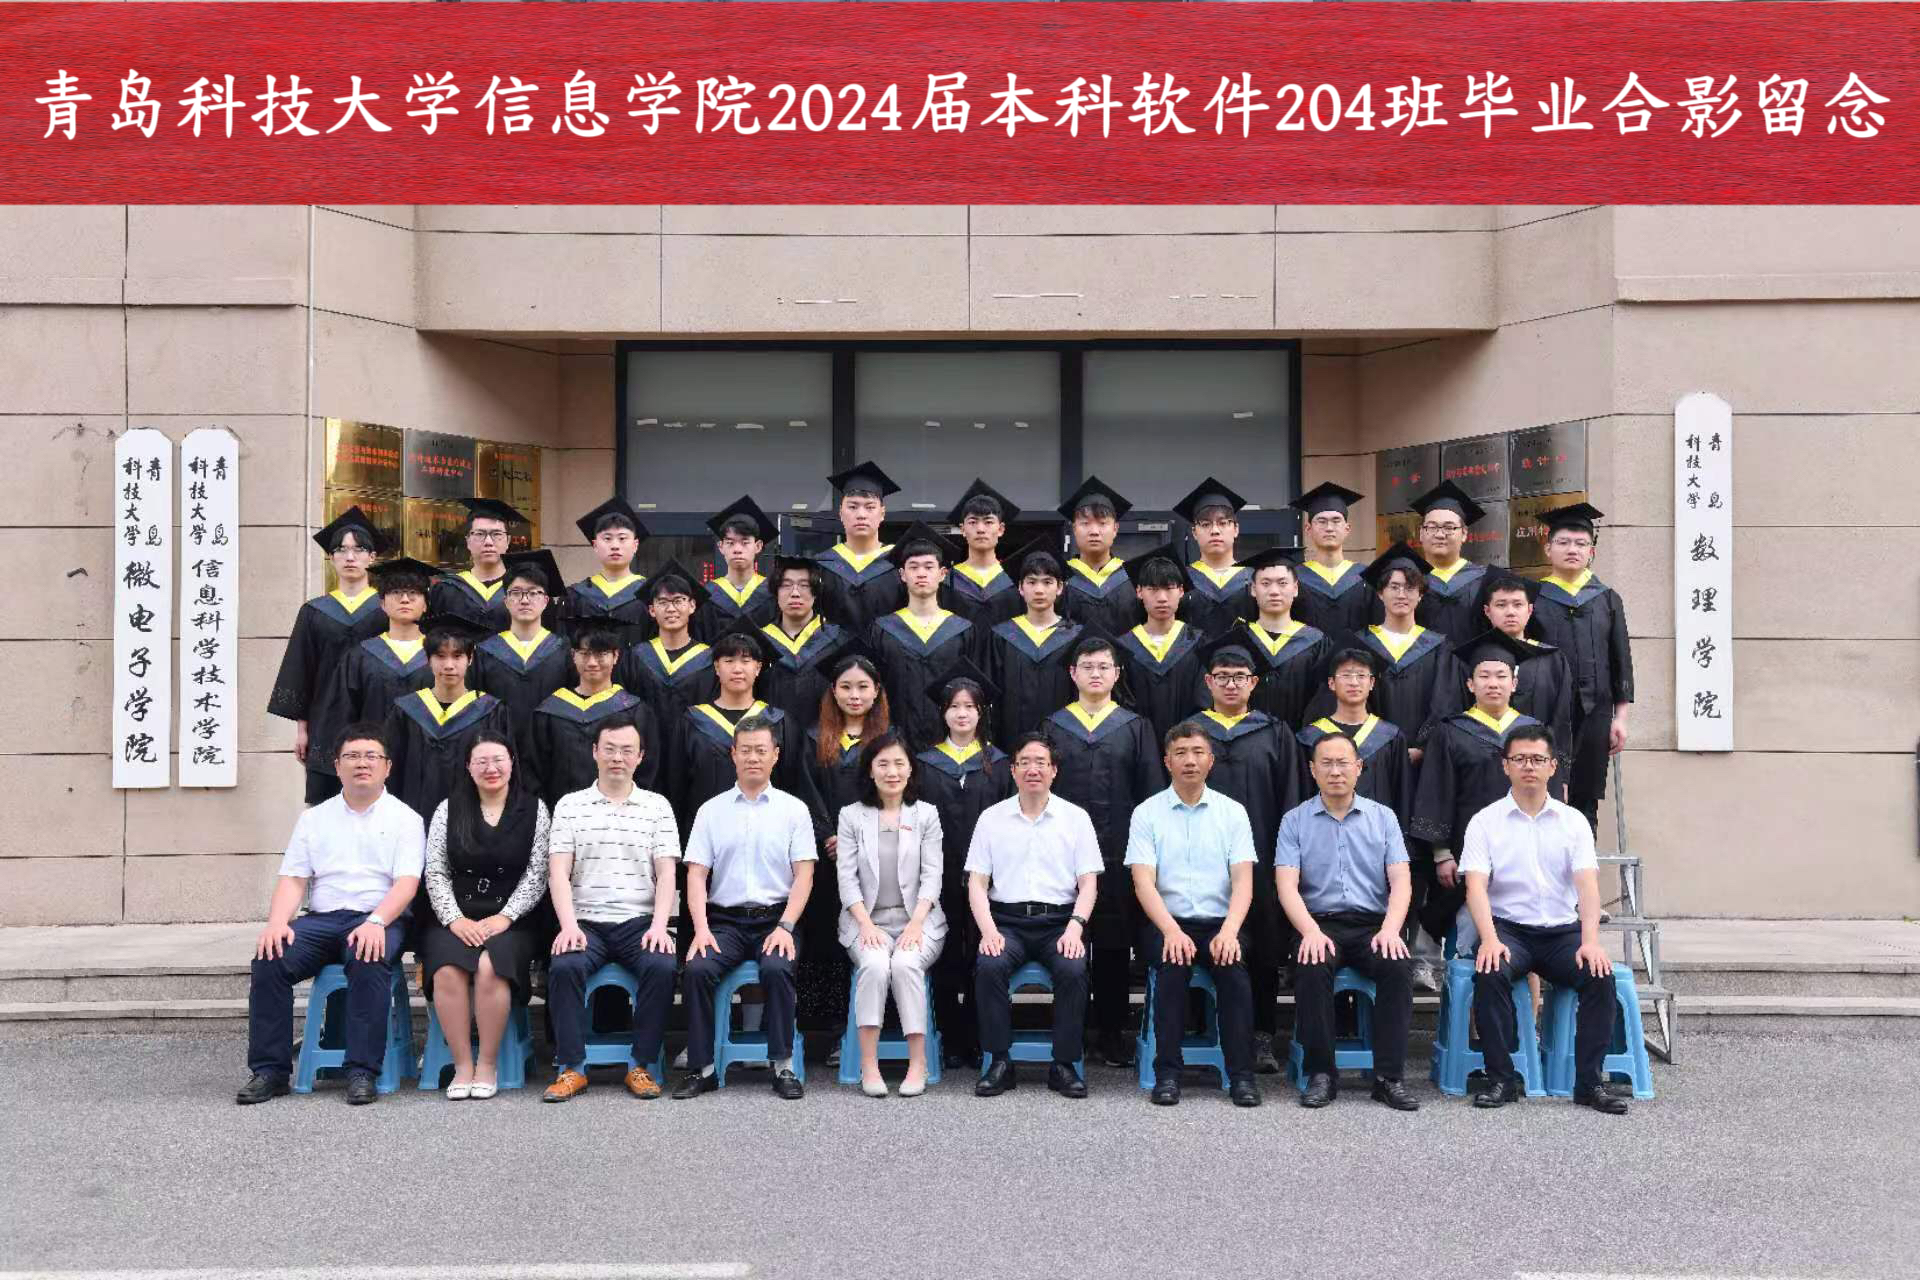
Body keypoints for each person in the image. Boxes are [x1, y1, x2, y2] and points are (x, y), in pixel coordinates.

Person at [237, 722, 424, 1106]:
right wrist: (277, 923)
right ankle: (270, 1071)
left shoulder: (406, 819)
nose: (362, 763)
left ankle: (361, 1071)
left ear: (387, 766)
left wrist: (376, 922)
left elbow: (406, 884)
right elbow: (293, 878)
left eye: (371, 756)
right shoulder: (314, 819)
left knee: (368, 955)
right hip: (322, 919)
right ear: (337, 766)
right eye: (352, 756)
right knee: (270, 956)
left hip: (378, 916)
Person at [1463, 723, 1628, 1114]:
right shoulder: (1485, 821)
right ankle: (1502, 1080)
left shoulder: (1573, 822)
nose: (1529, 767)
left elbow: (1587, 887)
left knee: (1599, 976)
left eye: (1538, 759)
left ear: (1553, 766)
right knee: (1490, 971)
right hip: (1509, 930)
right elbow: (1475, 888)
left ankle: (1589, 1084)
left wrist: (1590, 942)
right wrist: (1489, 938)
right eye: (1520, 759)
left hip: (1560, 933)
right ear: (1505, 765)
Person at [677, 716, 818, 1100]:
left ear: (775, 755)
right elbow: (696, 875)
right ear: (733, 754)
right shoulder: (711, 811)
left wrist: (786, 926)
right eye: (746, 750)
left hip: (777, 919)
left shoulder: (793, 810)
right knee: (698, 970)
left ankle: (783, 1066)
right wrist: (701, 929)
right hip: (725, 922)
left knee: (777, 967)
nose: (753, 758)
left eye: (761, 750)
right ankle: (702, 1069)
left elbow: (804, 875)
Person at [541, 717, 682, 1103]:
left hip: (639, 922)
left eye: (626, 751)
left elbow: (667, 873)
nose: (617, 757)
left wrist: (659, 926)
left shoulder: (656, 807)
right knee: (565, 966)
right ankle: (572, 1068)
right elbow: (558, 871)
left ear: (640, 757)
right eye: (610, 749)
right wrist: (568, 925)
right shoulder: (571, 805)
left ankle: (641, 1065)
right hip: (586, 922)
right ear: (595, 752)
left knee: (661, 965)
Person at [1276, 732, 1419, 1111]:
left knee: (1397, 966)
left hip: (1374, 924)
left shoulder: (1383, 817)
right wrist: (1309, 931)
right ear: (1312, 770)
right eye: (1326, 763)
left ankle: (1389, 1078)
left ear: (1359, 768)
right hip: (1319, 924)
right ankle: (1321, 1074)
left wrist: (1391, 930)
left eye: (1343, 763)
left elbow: (1401, 880)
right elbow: (1286, 885)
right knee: (1311, 965)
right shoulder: (1294, 820)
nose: (1335, 771)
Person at [1125, 721, 1262, 1108]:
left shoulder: (1232, 813)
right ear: (1167, 761)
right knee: (1173, 964)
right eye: (1181, 753)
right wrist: (1170, 930)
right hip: (1167, 922)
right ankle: (1168, 1073)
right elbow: (1144, 884)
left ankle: (1242, 1075)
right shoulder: (1147, 813)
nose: (1190, 761)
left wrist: (1230, 931)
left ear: (1211, 761)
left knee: (1233, 970)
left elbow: (1243, 882)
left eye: (1198, 752)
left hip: (1221, 922)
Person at [1042, 635, 1165, 1068]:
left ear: (1117, 674)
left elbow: (1150, 794)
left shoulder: (1135, 727)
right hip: (1063, 852)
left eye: (1104, 667)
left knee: (1113, 944)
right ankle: (1072, 1032)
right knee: (1069, 941)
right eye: (1087, 666)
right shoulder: (1054, 726)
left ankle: (1112, 1033)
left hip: (1119, 851)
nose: (1095, 674)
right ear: (1072, 673)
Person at [968, 734, 1102, 1099]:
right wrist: (989, 931)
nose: (1033, 769)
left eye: (1041, 762)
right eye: (1024, 762)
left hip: (1059, 923)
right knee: (989, 965)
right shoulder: (991, 819)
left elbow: (1088, 883)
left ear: (1054, 770)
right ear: (1012, 770)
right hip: (1007, 922)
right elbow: (977, 883)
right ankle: (1000, 1062)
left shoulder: (1076, 818)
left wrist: (1075, 928)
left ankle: (1064, 1064)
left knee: (1073, 969)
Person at [1192, 636, 1303, 1075]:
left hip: (1260, 859)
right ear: (1208, 682)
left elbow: (1291, 801)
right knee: (1199, 937)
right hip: (1198, 861)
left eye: (1240, 677)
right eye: (1222, 677)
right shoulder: (1192, 734)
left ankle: (1261, 1035)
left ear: (1254, 683)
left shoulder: (1275, 732)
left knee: (1262, 948)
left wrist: (1286, 861)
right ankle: (1201, 1031)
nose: (1231, 684)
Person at [419, 733, 551, 1100]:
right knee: (447, 968)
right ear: (468, 767)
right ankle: (463, 1065)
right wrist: (454, 919)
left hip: (514, 920)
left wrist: (505, 917)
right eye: (481, 761)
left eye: (498, 760)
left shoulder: (534, 809)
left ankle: (488, 1064)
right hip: (457, 916)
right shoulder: (448, 809)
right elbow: (436, 871)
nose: (491, 768)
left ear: (512, 763)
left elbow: (538, 872)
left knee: (492, 966)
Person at [1412, 630, 1548, 965]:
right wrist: (1442, 853)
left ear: (1514, 683)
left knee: (1522, 935)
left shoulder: (1533, 733)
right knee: (1466, 937)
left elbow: (1549, 793)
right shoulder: (1451, 731)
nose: (1493, 683)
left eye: (1501, 676)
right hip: (1465, 849)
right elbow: (1435, 792)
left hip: (1523, 850)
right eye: (1484, 676)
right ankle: (1462, 996)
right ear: (1470, 684)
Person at [837, 731, 947, 1097]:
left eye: (899, 763)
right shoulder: (851, 816)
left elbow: (933, 875)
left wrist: (916, 924)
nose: (892, 771)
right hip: (866, 921)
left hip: (919, 921)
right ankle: (869, 1066)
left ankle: (918, 1064)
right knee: (873, 965)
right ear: (870, 770)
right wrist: (865, 924)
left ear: (911, 769)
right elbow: (847, 879)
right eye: (882, 764)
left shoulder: (926, 814)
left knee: (904, 964)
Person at [915, 660, 1013, 1070]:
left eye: (969, 706)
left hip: (986, 877)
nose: (961, 713)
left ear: (981, 712)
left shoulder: (1000, 763)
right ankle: (949, 1035)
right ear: (943, 713)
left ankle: (976, 1035)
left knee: (981, 953)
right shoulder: (924, 763)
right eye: (954, 706)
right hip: (937, 874)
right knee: (942, 953)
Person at [269, 507, 390, 805]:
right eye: (341, 550)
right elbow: (301, 670)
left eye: (359, 550)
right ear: (332, 558)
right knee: (325, 803)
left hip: (377, 714)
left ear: (372, 557)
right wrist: (302, 729)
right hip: (326, 718)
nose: (350, 557)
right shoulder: (314, 611)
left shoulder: (386, 610)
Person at [1528, 502, 1634, 833]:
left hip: (1596, 711)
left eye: (1580, 543)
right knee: (1541, 791)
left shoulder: (1607, 598)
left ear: (1591, 552)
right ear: (1548, 549)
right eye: (1563, 542)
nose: (1572, 549)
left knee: (1586, 795)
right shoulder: (1533, 597)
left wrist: (1621, 717)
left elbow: (1621, 659)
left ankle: (1583, 864)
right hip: (1545, 710)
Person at [802, 651, 890, 1048]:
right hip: (827, 859)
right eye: (846, 687)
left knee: (872, 937)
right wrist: (829, 836)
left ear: (876, 691)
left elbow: (897, 793)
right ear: (833, 691)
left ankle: (874, 1027)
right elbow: (806, 794)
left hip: (878, 857)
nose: (855, 695)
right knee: (826, 936)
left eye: (863, 687)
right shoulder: (813, 738)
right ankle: (827, 1032)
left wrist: (859, 838)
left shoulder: (890, 739)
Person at [668, 626, 824, 838]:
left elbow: (796, 784)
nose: (737, 669)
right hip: (707, 835)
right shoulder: (692, 721)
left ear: (758, 668)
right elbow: (676, 786)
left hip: (768, 834)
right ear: (716, 667)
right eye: (729, 661)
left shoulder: (778, 721)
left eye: (746, 661)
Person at [1430, 572, 1576, 777]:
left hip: (1535, 772)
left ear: (1530, 610)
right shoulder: (1466, 659)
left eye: (1518, 605)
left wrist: (1560, 777)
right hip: (1477, 772)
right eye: (1501, 605)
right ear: (1487, 611)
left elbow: (1561, 721)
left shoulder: (1552, 659)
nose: (1510, 612)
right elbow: (1453, 713)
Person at [307, 557, 434, 776]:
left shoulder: (440, 656)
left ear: (425, 605)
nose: (405, 599)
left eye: (413, 593)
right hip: (371, 767)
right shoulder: (360, 656)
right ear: (382, 604)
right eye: (396, 592)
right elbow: (341, 715)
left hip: (429, 766)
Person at [383, 616, 515, 827]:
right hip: (413, 820)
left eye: (457, 656)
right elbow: (390, 773)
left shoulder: (491, 711)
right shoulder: (406, 711)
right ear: (428, 659)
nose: (449, 665)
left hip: (474, 823)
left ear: (470, 659)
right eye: (440, 656)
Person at [863, 524, 977, 752]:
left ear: (942, 574)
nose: (921, 573)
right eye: (913, 567)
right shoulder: (883, 629)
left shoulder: (961, 630)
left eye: (928, 566)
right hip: (895, 745)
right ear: (902, 575)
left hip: (950, 744)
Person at [522, 624, 660, 807]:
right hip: (563, 815)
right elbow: (533, 772)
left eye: (601, 654)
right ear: (573, 656)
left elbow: (647, 771)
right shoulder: (550, 711)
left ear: (615, 656)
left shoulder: (636, 711)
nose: (592, 662)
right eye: (585, 654)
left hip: (621, 816)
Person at [615, 559, 718, 802]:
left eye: (678, 600)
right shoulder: (636, 657)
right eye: (662, 602)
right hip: (644, 761)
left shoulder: (709, 660)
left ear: (692, 606)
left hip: (695, 760)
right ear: (652, 610)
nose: (671, 609)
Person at [1295, 648, 1415, 832]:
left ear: (1372, 683)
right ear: (1331, 683)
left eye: (1361, 675)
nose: (1354, 682)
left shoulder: (1391, 737)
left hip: (1378, 836)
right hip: (1323, 836)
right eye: (1346, 675)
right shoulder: (1309, 738)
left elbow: (1403, 797)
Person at [1354, 543, 1453, 755]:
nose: (1401, 594)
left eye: (1409, 588)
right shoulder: (1362, 644)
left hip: (1426, 758)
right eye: (1394, 587)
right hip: (1374, 755)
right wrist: (1380, 747)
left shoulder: (1439, 646)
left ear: (1420, 595)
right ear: (1380, 593)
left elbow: (1444, 703)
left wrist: (1423, 747)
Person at [981, 545, 1084, 746]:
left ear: (1060, 588)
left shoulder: (1075, 636)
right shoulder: (1002, 636)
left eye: (1047, 582)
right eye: (1031, 582)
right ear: (1020, 588)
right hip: (1011, 742)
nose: (1039, 590)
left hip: (1065, 741)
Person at [1113, 543, 1206, 748]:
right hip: (1136, 748)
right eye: (1153, 589)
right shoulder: (1124, 648)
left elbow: (1203, 703)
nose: (1162, 598)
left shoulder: (1197, 643)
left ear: (1181, 591)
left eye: (1169, 588)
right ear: (1139, 592)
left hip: (1187, 749)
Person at [470, 549, 571, 732]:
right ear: (506, 601)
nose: (525, 600)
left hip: (550, 744)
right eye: (516, 593)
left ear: (545, 601)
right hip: (498, 744)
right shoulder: (485, 652)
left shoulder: (563, 650)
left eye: (533, 593)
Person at [1233, 548, 1332, 730]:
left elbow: (1325, 701)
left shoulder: (1316, 642)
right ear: (1253, 589)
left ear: (1295, 589)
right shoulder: (1239, 640)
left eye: (1282, 583)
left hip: (1303, 740)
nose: (1274, 591)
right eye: (1265, 583)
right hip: (1249, 740)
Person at [757, 555, 858, 730]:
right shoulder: (759, 643)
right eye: (786, 585)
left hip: (826, 736)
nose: (795, 593)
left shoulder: (839, 640)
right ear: (776, 592)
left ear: (816, 592)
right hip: (771, 737)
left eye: (804, 585)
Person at [815, 461, 906, 635]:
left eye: (870, 507)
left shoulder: (899, 562)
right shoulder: (822, 564)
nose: (861, 514)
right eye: (853, 507)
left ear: (882, 513)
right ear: (841, 513)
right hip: (834, 651)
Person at [1057, 476, 1141, 638]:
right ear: (1074, 529)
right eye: (1085, 523)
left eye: (1102, 523)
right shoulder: (1060, 578)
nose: (1094, 531)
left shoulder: (1133, 577)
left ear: (1115, 529)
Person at [1288, 481, 1375, 637]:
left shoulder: (1367, 577)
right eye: (1321, 521)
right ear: (1308, 529)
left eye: (1336, 521)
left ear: (1347, 529)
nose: (1329, 528)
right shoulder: (1294, 578)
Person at [1411, 480, 1492, 647]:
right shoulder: (1407, 579)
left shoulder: (1485, 580)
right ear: (1421, 533)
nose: (1440, 534)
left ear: (1464, 533)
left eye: (1449, 528)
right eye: (1432, 527)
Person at [427, 497, 525, 633]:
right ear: (467, 541)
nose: (488, 542)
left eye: (497, 534)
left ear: (508, 541)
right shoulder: (446, 589)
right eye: (479, 534)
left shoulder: (526, 590)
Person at [564, 496, 652, 647]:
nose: (615, 546)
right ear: (595, 545)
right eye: (607, 538)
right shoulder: (576, 595)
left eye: (622, 538)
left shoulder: (649, 593)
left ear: (635, 545)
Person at [1172, 478, 1254, 639]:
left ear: (1236, 529)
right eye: (1205, 524)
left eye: (1223, 523)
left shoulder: (1255, 578)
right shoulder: (1180, 579)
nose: (1215, 530)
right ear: (1194, 532)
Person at [943, 479, 1024, 627]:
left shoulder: (1016, 577)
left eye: (988, 522)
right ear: (962, 529)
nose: (980, 529)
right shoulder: (948, 580)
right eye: (973, 522)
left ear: (1001, 529)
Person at [698, 494, 779, 642]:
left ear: (758, 546)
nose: (737, 549)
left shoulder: (773, 593)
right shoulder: (708, 596)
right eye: (730, 543)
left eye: (745, 542)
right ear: (721, 547)